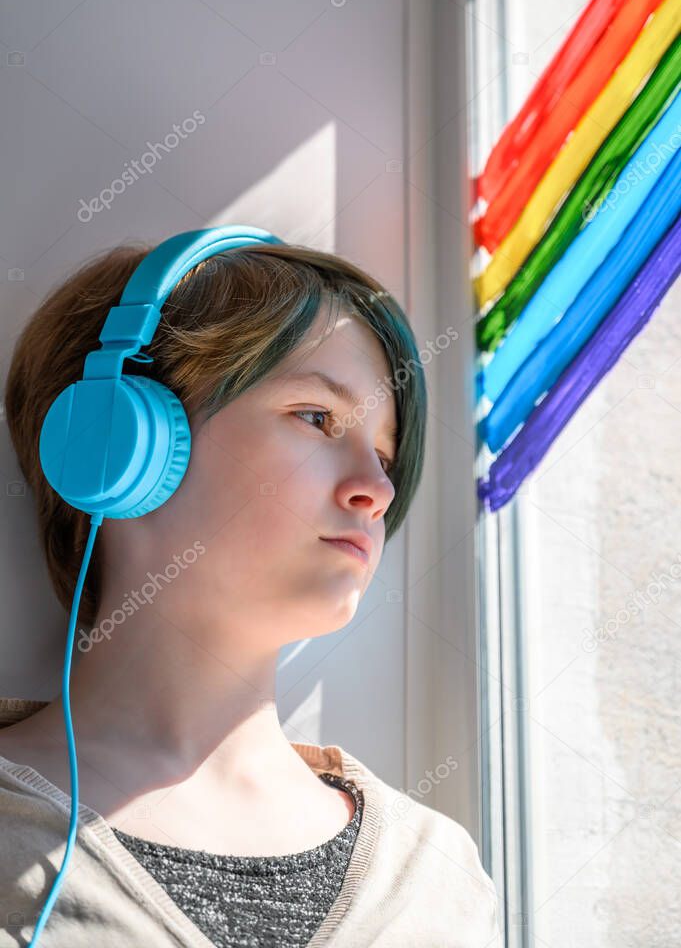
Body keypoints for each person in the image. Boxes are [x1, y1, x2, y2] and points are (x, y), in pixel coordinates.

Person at [0, 236, 501, 947]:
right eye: (317, 418)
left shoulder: (438, 876)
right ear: (120, 441)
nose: (377, 489)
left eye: (386, 456)